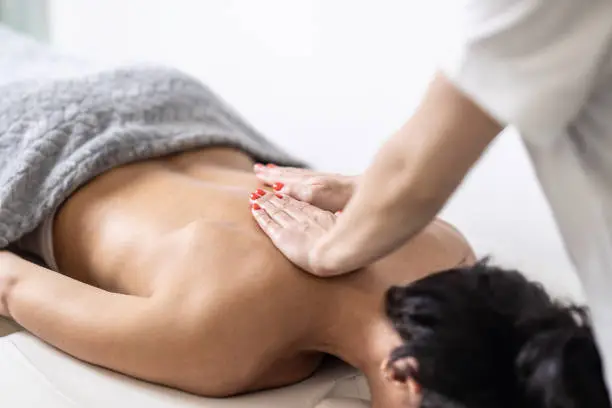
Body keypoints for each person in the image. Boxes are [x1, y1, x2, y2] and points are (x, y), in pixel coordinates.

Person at [247, 0, 612, 395]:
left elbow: (421, 163)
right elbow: (414, 168)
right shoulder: (447, 254)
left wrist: (329, 248)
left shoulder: (448, 254)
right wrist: (342, 229)